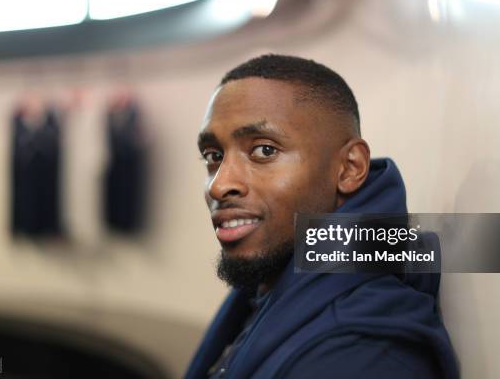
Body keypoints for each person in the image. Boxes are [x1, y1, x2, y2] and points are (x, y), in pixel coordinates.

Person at [186, 54, 459, 379]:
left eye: (264, 150)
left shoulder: (356, 355)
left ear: (349, 168)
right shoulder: (273, 280)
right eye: (213, 156)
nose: (220, 185)